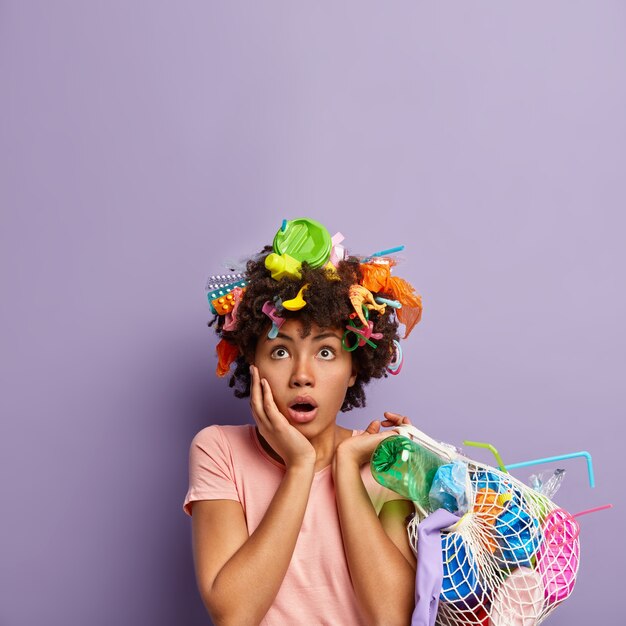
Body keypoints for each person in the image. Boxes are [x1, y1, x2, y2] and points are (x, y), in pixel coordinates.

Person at [183, 218, 424, 625]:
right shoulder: (218, 450)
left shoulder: (385, 462)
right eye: (280, 351)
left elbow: (392, 618)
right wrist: (299, 466)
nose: (302, 374)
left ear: (354, 369)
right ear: (251, 362)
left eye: (326, 352)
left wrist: (347, 470)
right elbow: (233, 615)